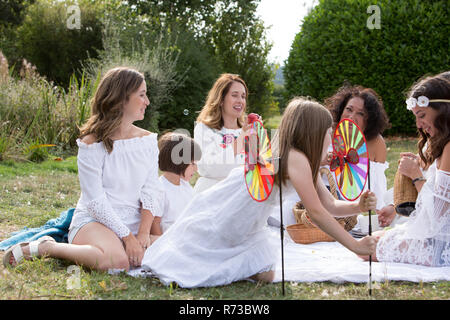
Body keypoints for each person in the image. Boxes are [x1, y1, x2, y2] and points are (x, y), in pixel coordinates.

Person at [141, 97, 378, 288]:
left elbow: (329, 205)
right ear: (313, 133)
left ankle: (226, 259)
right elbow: (316, 213)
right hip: (234, 208)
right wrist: (355, 246)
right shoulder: (295, 158)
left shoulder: (305, 161)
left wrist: (358, 205)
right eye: (328, 131)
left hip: (250, 216)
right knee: (202, 254)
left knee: (266, 272)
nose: (332, 136)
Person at [4, 67, 164, 271]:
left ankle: (122, 245)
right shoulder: (91, 144)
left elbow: (151, 190)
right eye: (142, 95)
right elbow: (95, 201)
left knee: (168, 254)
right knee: (117, 262)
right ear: (121, 98)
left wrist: (142, 235)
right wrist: (128, 238)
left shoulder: (147, 141)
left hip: (133, 222)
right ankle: (48, 247)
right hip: (96, 220)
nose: (147, 102)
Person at [362, 72, 450, 266]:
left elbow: (439, 216)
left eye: (422, 115)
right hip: (436, 233)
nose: (419, 124)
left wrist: (416, 176)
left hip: (443, 241)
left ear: (442, 110)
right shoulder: (437, 143)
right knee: (371, 239)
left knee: (365, 248)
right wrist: (395, 208)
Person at [193, 73, 251, 194]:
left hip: (241, 196)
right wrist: (241, 139)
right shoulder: (204, 129)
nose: (240, 101)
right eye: (234, 95)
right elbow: (209, 168)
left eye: (243, 96)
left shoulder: (246, 131)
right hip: (212, 196)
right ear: (220, 100)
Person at [150, 132, 202, 235]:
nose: (196, 169)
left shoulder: (185, 186)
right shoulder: (160, 189)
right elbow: (154, 223)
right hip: (170, 240)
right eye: (192, 164)